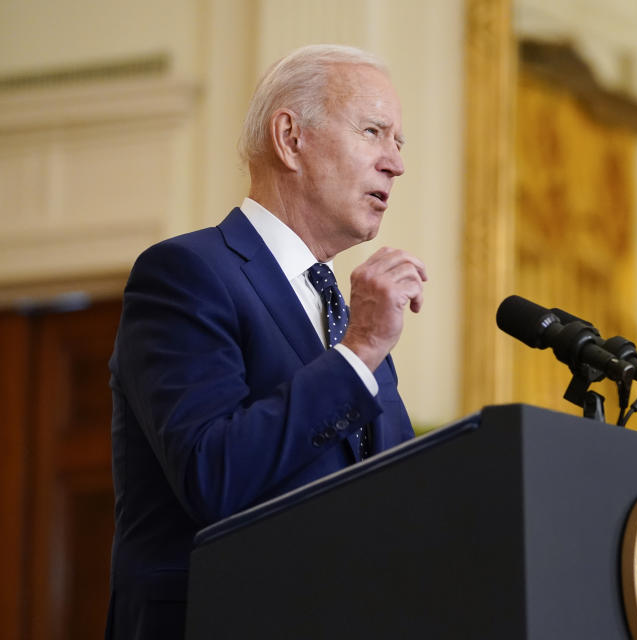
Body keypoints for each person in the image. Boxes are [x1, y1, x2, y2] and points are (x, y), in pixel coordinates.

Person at [105, 45, 426, 640]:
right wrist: (357, 352)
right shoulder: (186, 274)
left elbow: (398, 493)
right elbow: (214, 474)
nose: (395, 164)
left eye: (399, 142)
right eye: (374, 132)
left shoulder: (348, 314)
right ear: (290, 138)